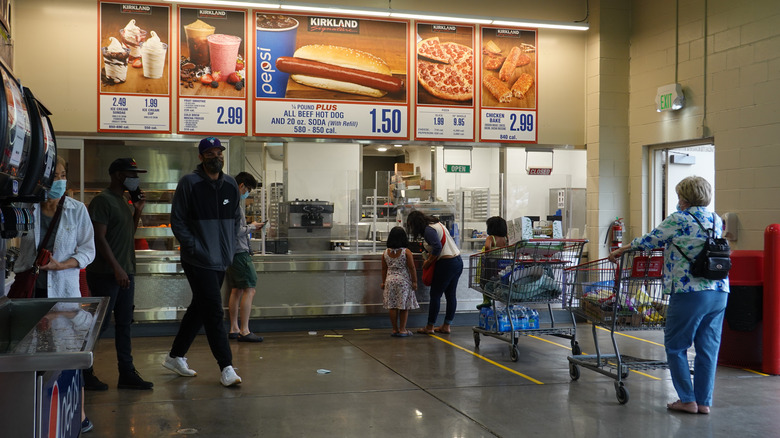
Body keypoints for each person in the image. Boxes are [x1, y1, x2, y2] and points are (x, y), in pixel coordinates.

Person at [609, 176, 729, 415]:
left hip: (689, 291)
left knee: (676, 347)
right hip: (719, 291)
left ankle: (687, 399)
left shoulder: (679, 218)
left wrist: (622, 249)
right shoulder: (716, 219)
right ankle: (704, 401)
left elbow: (649, 241)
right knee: (708, 348)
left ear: (683, 197)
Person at [15, 156, 96, 432]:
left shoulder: (76, 210)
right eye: (53, 177)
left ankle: (78, 413)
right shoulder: (25, 208)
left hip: (64, 293)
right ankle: (34, 412)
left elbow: (88, 250)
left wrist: (62, 265)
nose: (59, 181)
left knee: (67, 354)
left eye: (62, 175)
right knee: (30, 353)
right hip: (30, 294)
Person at [163, 137, 242, 387]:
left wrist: (229, 251)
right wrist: (195, 248)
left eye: (219, 152)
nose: (216, 156)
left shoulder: (230, 185)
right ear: (201, 157)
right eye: (210, 153)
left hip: (221, 259)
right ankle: (226, 366)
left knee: (200, 307)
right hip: (197, 260)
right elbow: (178, 221)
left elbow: (237, 222)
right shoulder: (189, 184)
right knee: (213, 310)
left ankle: (175, 356)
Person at [85, 157, 153, 391]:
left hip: (124, 272)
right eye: (132, 174)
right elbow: (99, 238)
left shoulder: (123, 201)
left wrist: (137, 211)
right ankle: (85, 371)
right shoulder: (103, 201)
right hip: (106, 274)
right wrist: (116, 268)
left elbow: (128, 233)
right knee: (99, 326)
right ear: (118, 175)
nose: (136, 179)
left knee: (124, 324)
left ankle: (127, 372)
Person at [406, 211, 462, 335]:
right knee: (451, 295)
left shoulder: (428, 230)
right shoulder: (437, 224)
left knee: (435, 295)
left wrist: (428, 262)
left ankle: (430, 326)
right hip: (457, 261)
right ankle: (446, 325)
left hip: (446, 264)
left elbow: (437, 247)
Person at [227, 171, 264, 342]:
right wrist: (253, 227)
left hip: (231, 254)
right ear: (241, 185)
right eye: (248, 189)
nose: (247, 193)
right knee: (250, 289)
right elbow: (236, 231)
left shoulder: (228, 201)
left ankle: (234, 328)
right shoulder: (235, 204)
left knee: (237, 290)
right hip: (240, 253)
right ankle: (245, 330)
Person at [381, 226, 419, 337]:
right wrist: (415, 281)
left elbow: (384, 269)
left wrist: (383, 282)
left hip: (390, 281)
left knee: (392, 306)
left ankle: (394, 329)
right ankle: (403, 329)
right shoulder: (406, 252)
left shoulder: (385, 253)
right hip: (403, 281)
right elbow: (412, 268)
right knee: (403, 306)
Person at [477, 216, 509, 309]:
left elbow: (487, 247)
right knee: (498, 281)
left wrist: (488, 252)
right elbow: (510, 246)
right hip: (501, 264)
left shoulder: (491, 238)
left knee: (485, 281)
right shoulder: (505, 238)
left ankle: (486, 300)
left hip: (489, 263)